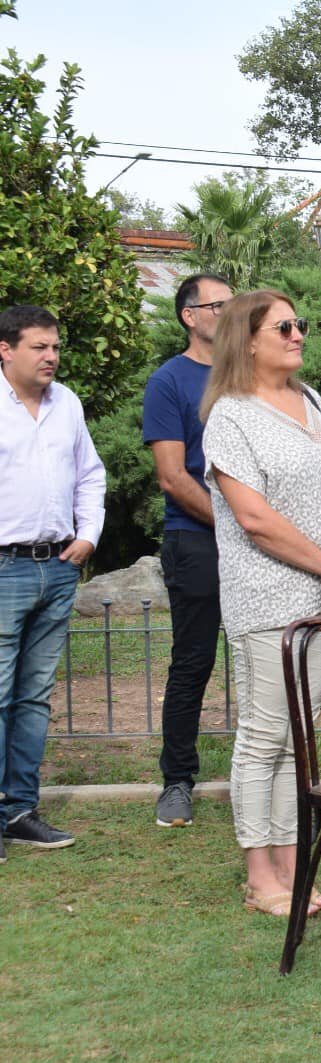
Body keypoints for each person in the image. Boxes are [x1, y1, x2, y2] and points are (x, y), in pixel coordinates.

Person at [199, 289, 321, 917]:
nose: (299, 334)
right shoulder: (231, 416)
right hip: (268, 597)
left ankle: (294, 869)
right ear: (246, 340)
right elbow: (254, 519)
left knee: (302, 738)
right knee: (265, 737)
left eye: (302, 323)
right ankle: (259, 876)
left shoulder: (314, 401)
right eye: (285, 327)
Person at [0, 304, 104, 857]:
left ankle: (19, 810)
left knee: (34, 697)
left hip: (57, 566)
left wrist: (87, 535)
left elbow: (89, 472)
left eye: (55, 347)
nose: (51, 356)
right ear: (6, 350)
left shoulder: (66, 404)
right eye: (39, 346)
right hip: (3, 567)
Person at [143, 273, 233, 828]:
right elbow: (173, 478)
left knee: (265, 661)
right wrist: (237, 524)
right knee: (193, 664)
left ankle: (274, 776)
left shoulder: (248, 378)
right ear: (189, 316)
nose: (228, 313)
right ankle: (177, 781)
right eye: (217, 305)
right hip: (196, 541)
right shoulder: (168, 381)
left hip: (256, 541)